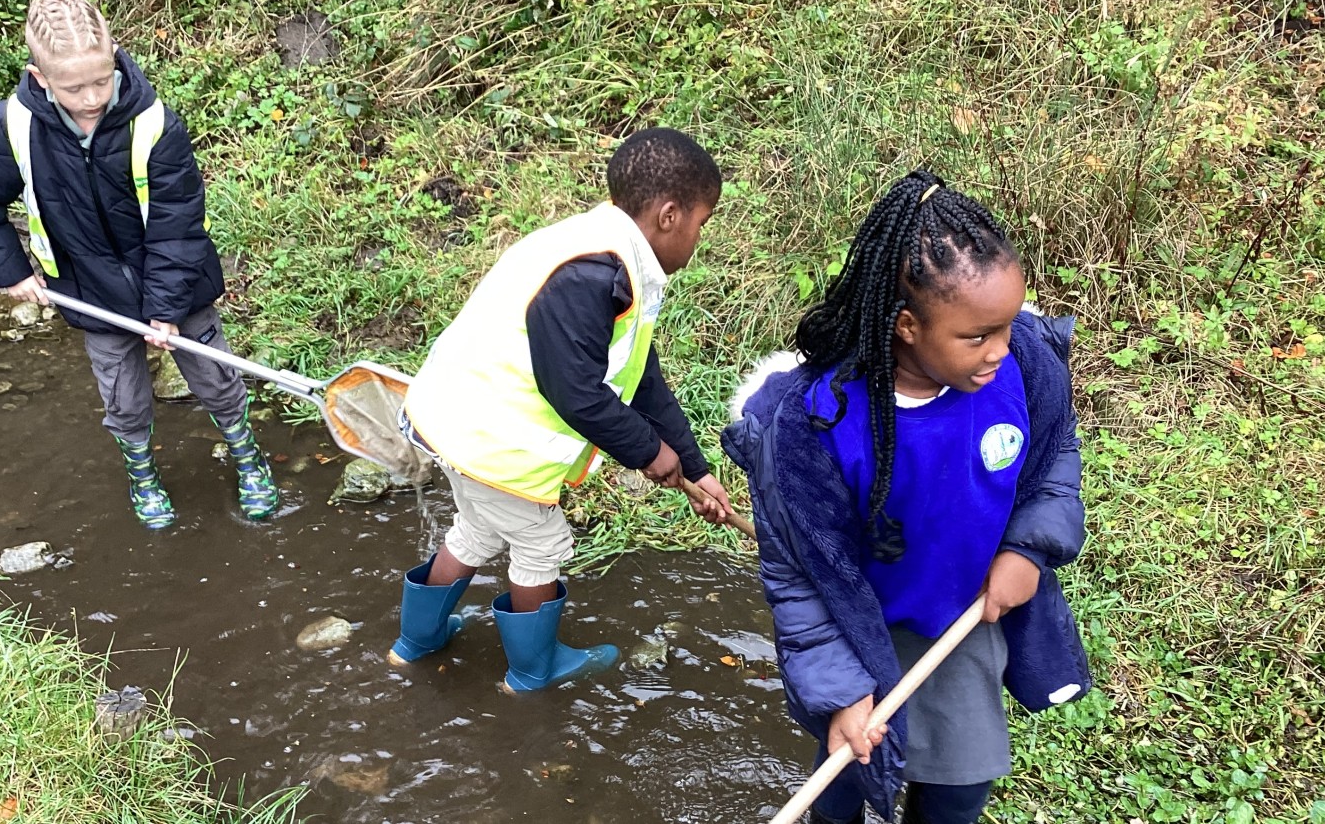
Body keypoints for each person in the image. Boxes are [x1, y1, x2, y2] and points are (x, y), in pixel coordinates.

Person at [721, 171, 1092, 823]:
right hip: (858, 626)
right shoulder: (816, 427)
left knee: (959, 788)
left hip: (964, 613)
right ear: (907, 325)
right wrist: (842, 690)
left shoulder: (1023, 367)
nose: (1000, 351)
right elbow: (799, 576)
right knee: (844, 776)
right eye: (977, 337)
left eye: (1007, 327)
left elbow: (1054, 453)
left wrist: (1029, 547)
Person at [393, 127, 734, 691]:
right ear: (670, 215)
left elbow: (640, 378)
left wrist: (694, 467)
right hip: (490, 438)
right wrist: (650, 452)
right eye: (702, 222)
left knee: (477, 528)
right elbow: (575, 392)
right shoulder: (593, 273)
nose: (700, 237)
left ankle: (417, 642)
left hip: (454, 422)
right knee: (540, 541)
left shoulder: (609, 251)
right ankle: (533, 671)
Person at [0, 0, 277, 530]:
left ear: (116, 58)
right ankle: (142, 473)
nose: (91, 98)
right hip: (88, 289)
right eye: (73, 88)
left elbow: (177, 223)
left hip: (177, 284)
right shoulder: (11, 126)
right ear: (39, 77)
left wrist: (165, 309)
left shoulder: (153, 123)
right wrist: (10, 271)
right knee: (123, 399)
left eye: (101, 81)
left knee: (215, 378)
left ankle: (246, 453)